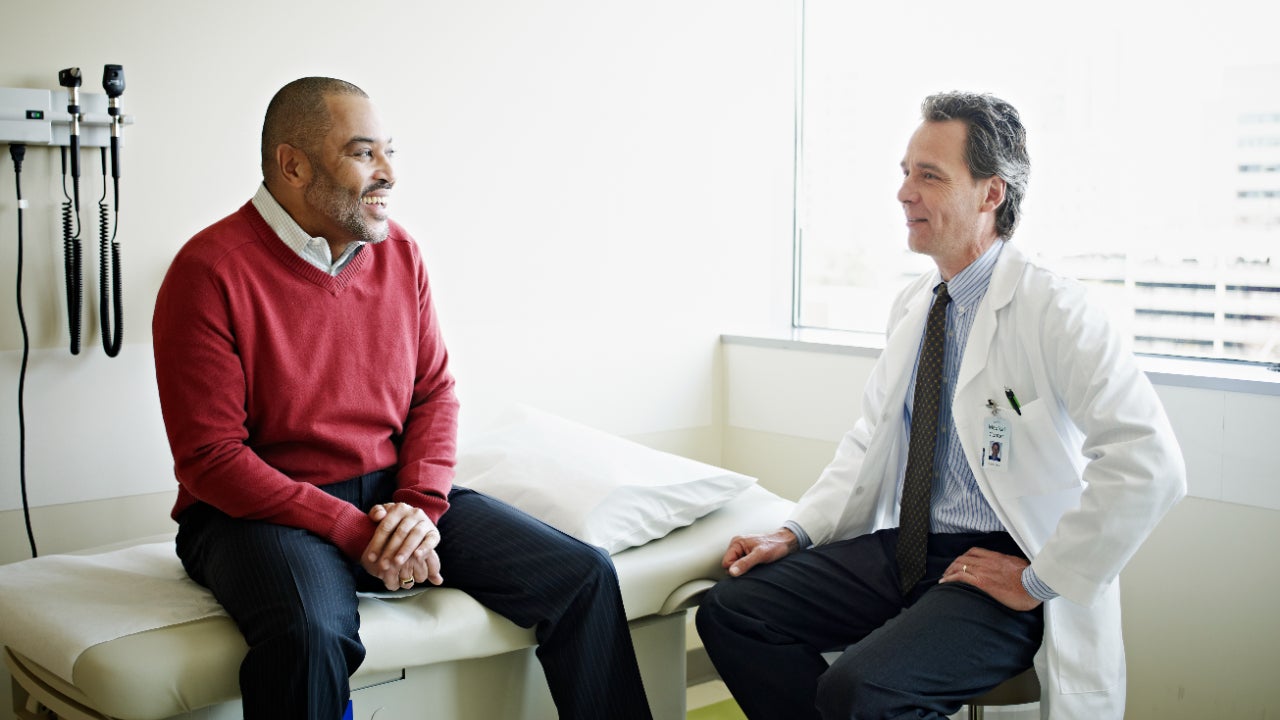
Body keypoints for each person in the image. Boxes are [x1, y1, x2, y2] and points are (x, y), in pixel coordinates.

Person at [152, 77, 653, 720]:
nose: (388, 172)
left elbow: (434, 394)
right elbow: (211, 458)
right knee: (309, 635)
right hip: (256, 513)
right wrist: (351, 529)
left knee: (583, 575)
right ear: (293, 165)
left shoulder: (401, 253)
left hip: (390, 493)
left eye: (389, 151)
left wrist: (418, 507)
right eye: (364, 153)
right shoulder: (208, 270)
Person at [695, 92, 1186, 719]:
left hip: (1004, 560)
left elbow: (1150, 463)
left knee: (860, 690)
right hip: (908, 548)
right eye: (906, 172)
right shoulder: (916, 304)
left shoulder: (1057, 311)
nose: (904, 193)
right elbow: (870, 440)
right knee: (732, 611)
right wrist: (795, 531)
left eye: (929, 175)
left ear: (991, 193)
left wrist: (1038, 578)